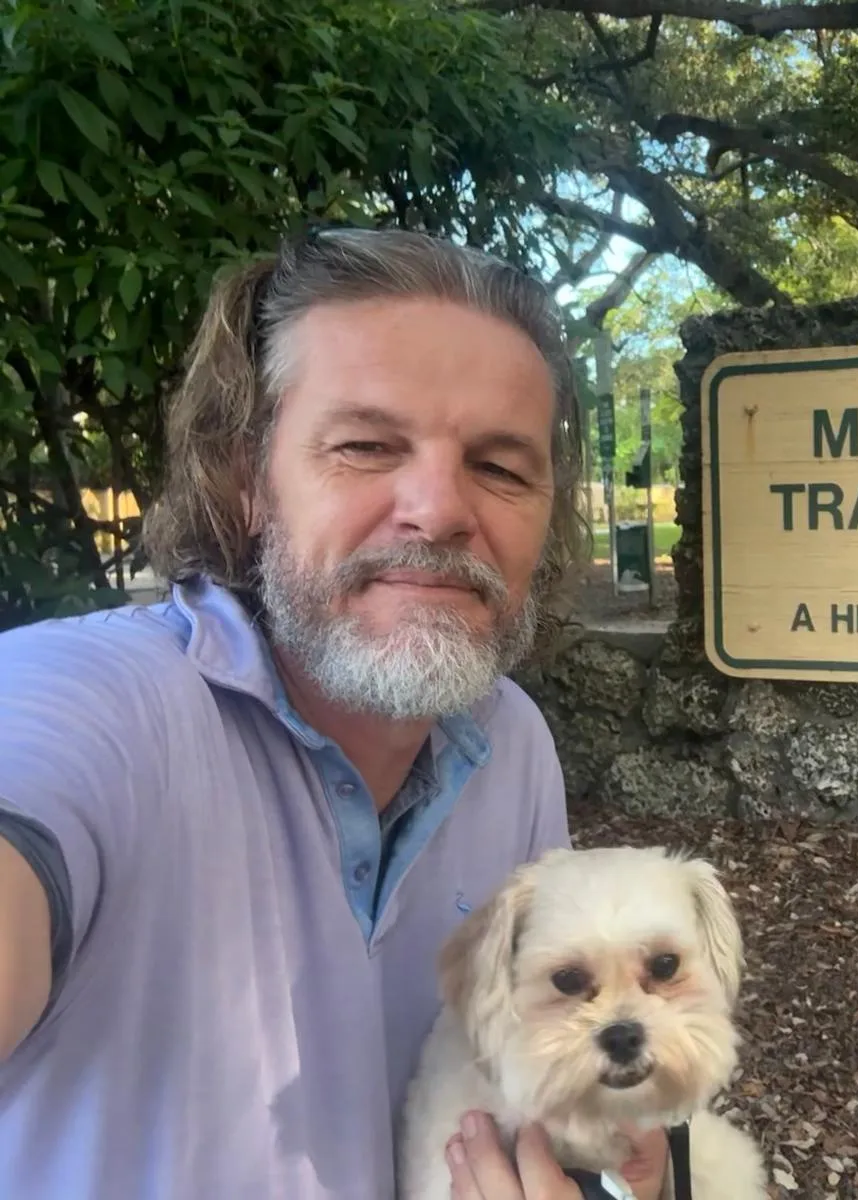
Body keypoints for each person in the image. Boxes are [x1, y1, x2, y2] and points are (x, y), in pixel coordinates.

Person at [0, 226, 669, 1199]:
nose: (438, 509)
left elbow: (562, 1082)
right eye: (364, 445)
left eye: (499, 466)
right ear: (248, 480)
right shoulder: (95, 711)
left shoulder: (512, 744)